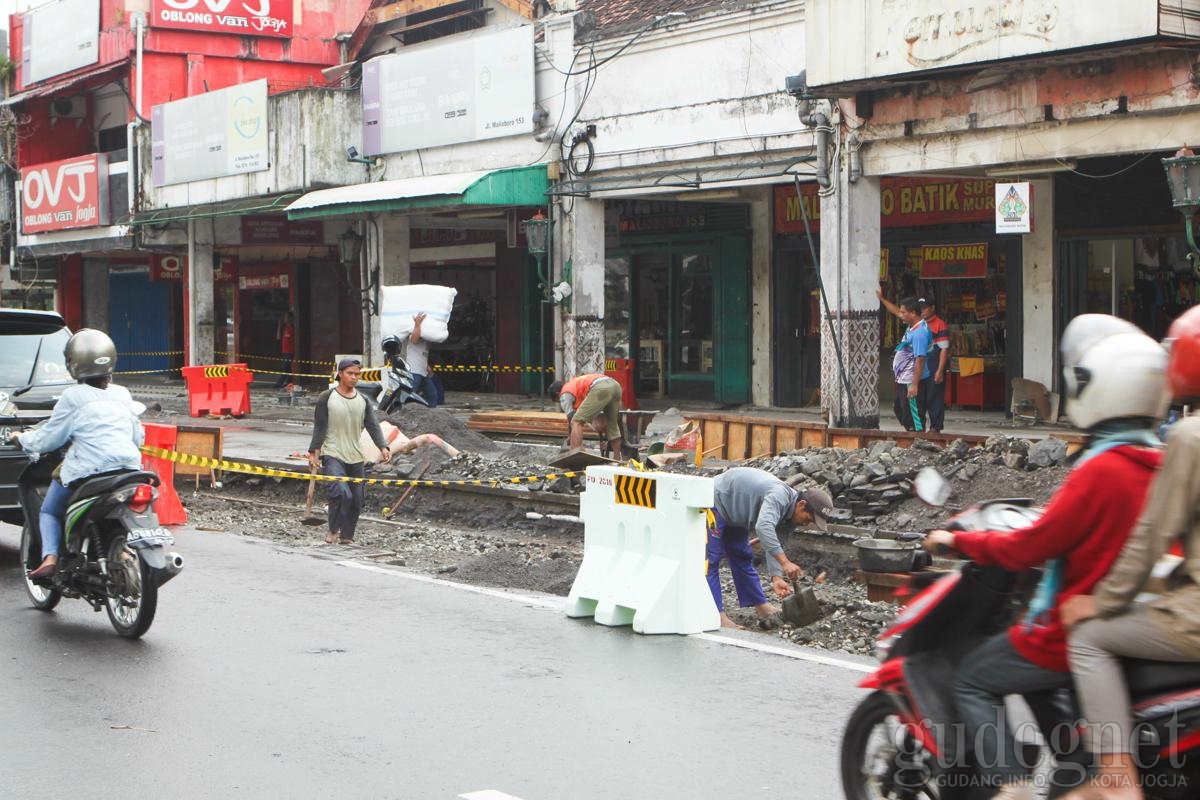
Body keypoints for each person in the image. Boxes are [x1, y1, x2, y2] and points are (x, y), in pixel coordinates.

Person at [922, 315, 1168, 800]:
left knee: (973, 677)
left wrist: (957, 542)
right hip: (1143, 619)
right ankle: (1072, 762)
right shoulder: (1162, 461)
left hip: (1076, 626)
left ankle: (1010, 786)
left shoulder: (1100, 470)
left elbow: (1026, 549)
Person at [1059, 305, 1200, 800]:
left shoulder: (1187, 437)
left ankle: (1117, 777)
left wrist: (1101, 602)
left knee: (1088, 638)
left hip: (1195, 619)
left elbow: (1154, 535)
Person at [8, 329, 144, 579]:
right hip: (130, 469)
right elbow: (137, 438)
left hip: (90, 471)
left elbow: (49, 438)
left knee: (49, 511)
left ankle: (50, 556)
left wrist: (21, 439)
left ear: (74, 363)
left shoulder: (72, 396)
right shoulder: (122, 394)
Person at [707, 467, 835, 629]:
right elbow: (764, 527)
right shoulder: (779, 496)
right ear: (802, 505)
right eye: (809, 519)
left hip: (737, 512)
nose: (807, 524)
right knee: (711, 560)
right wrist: (785, 563)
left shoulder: (791, 518)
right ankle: (716, 616)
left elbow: (776, 542)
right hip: (715, 500)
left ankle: (761, 606)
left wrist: (777, 577)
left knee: (742, 556)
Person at [307, 358, 392, 545]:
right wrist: (314, 452)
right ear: (340, 374)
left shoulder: (362, 400)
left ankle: (347, 536)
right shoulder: (327, 398)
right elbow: (320, 427)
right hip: (333, 453)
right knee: (340, 492)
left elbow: (372, 424)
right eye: (350, 373)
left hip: (355, 455)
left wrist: (383, 446)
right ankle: (333, 530)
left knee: (356, 498)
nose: (354, 378)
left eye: (357, 374)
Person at [547, 373, 638, 460]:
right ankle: (617, 459)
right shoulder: (574, 385)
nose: (561, 403)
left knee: (576, 422)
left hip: (600, 387)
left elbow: (571, 417)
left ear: (557, 394)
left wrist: (570, 436)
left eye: (558, 401)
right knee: (612, 425)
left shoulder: (564, 393)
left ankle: (576, 455)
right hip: (615, 385)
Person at [880, 293, 930, 432]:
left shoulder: (919, 333)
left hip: (911, 380)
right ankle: (910, 433)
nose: (901, 315)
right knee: (899, 407)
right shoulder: (912, 325)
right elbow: (896, 311)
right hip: (904, 378)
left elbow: (920, 360)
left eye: (904, 312)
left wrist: (914, 385)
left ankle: (917, 437)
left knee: (913, 414)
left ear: (913, 313)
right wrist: (882, 299)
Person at [918, 297, 951, 432]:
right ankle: (919, 427)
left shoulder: (940, 325)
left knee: (934, 397)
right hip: (920, 364)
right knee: (919, 397)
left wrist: (940, 370)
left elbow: (944, 349)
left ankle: (935, 427)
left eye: (924, 308)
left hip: (933, 364)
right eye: (920, 308)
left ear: (932, 308)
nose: (922, 311)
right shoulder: (918, 324)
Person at [406, 312, 441, 408]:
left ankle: (429, 418)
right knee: (410, 396)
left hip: (423, 372)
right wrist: (417, 323)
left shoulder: (426, 337)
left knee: (432, 396)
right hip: (414, 371)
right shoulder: (414, 333)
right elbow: (414, 340)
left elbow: (422, 355)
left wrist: (427, 366)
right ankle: (405, 416)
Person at [275, 311, 295, 388]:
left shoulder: (293, 327)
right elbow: (278, 337)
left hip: (290, 351)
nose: (285, 319)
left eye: (287, 317)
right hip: (284, 351)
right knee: (287, 368)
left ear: (291, 318)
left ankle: (279, 383)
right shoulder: (284, 328)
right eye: (284, 317)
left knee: (285, 367)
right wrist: (279, 326)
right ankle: (290, 383)